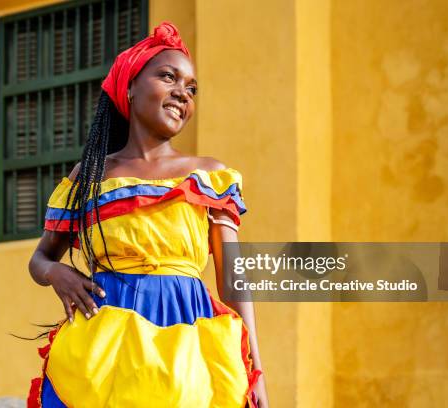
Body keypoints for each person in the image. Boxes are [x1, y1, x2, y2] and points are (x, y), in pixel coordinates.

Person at [26, 21, 269, 408]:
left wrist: (256, 370)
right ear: (129, 87)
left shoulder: (210, 175)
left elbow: (234, 282)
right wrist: (56, 273)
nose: (182, 94)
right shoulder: (90, 177)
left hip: (190, 339)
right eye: (169, 77)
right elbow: (40, 258)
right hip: (104, 345)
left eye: (191, 88)